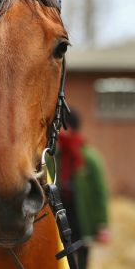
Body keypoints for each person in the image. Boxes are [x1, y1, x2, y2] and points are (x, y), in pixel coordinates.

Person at [57, 109, 110, 269]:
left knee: (82, 254)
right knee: (64, 253)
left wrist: (102, 224)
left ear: (69, 128)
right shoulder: (55, 157)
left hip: (82, 215)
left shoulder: (89, 157)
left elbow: (100, 193)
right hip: (63, 212)